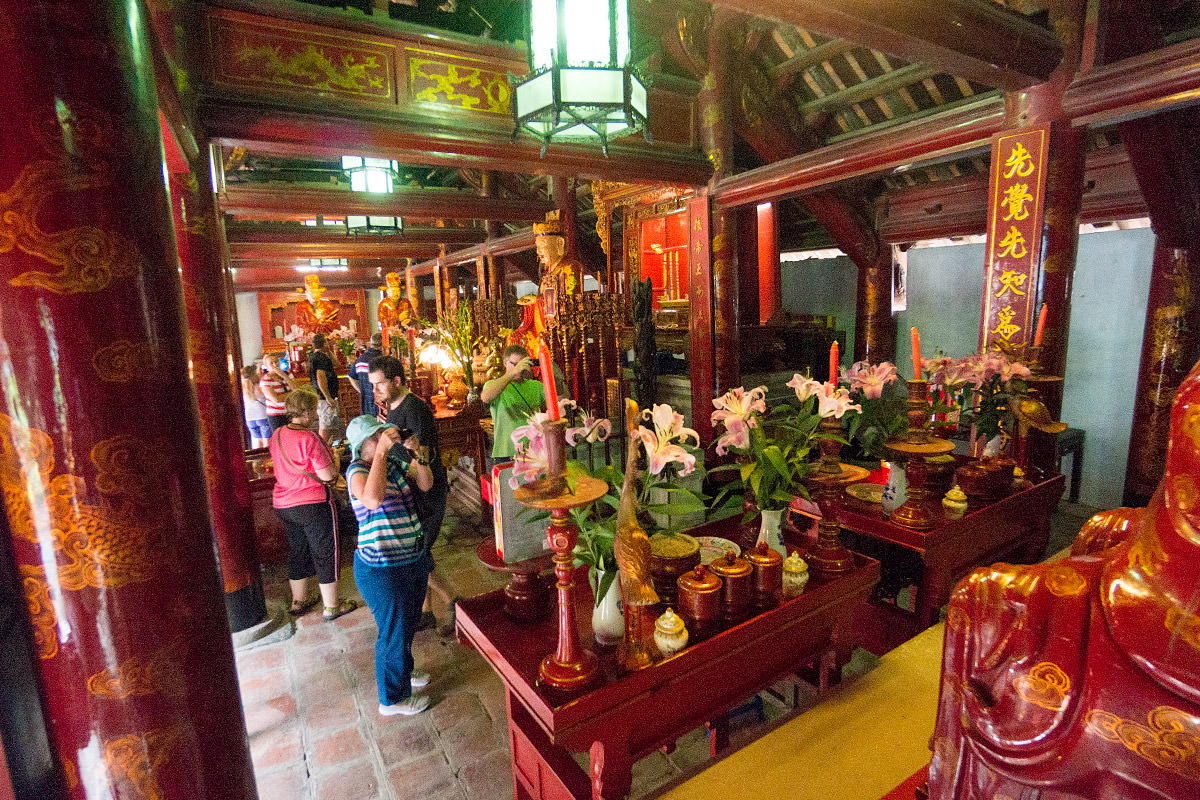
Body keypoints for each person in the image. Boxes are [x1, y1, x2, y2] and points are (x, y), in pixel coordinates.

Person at [345, 415, 435, 716]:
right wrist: (382, 453)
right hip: (381, 568)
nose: (381, 438)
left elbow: (426, 483)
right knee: (392, 630)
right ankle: (392, 699)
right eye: (375, 437)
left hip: (410, 558)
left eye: (381, 434)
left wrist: (417, 454)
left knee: (408, 622)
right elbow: (372, 499)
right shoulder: (357, 470)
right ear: (363, 445)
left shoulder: (394, 465)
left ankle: (404, 673)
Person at [268, 388, 357, 622]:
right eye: (314, 410)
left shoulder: (276, 434)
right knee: (326, 552)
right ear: (306, 412)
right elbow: (327, 476)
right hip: (312, 503)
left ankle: (299, 601)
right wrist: (334, 458)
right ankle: (332, 606)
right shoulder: (309, 438)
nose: (317, 415)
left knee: (298, 551)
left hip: (284, 503)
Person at [368, 356, 448, 553]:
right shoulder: (394, 405)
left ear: (396, 381)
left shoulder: (414, 410)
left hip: (425, 493)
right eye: (372, 385)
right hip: (409, 491)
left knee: (418, 555)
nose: (374, 391)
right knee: (417, 558)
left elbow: (423, 456)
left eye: (379, 384)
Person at [480, 344, 545, 463]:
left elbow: (560, 400)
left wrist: (551, 370)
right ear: (505, 363)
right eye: (515, 364)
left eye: (522, 364)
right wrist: (513, 372)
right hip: (507, 453)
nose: (519, 368)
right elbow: (485, 397)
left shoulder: (536, 386)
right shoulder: (494, 385)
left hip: (535, 451)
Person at [308, 333, 345, 443]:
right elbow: (321, 377)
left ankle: (329, 446)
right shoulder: (321, 358)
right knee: (325, 424)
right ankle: (323, 447)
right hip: (324, 397)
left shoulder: (315, 356)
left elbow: (337, 364)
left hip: (323, 395)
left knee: (329, 423)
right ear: (324, 343)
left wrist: (329, 351)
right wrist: (328, 397)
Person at [350, 332, 384, 417]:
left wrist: (361, 390)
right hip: (380, 402)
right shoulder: (383, 360)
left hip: (366, 400)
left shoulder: (360, 359)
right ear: (382, 345)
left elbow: (351, 377)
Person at [260, 352, 294, 432]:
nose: (275, 365)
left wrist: (284, 377)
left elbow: (297, 390)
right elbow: (276, 399)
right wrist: (292, 394)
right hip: (276, 415)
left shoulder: (288, 374)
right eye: (271, 363)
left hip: (290, 412)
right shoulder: (265, 380)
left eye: (276, 362)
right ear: (266, 366)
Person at [241, 364, 270, 449]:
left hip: (249, 418)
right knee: (266, 442)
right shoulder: (259, 386)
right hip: (262, 415)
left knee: (258, 442)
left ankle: (258, 461)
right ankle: (267, 461)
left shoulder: (242, 388)